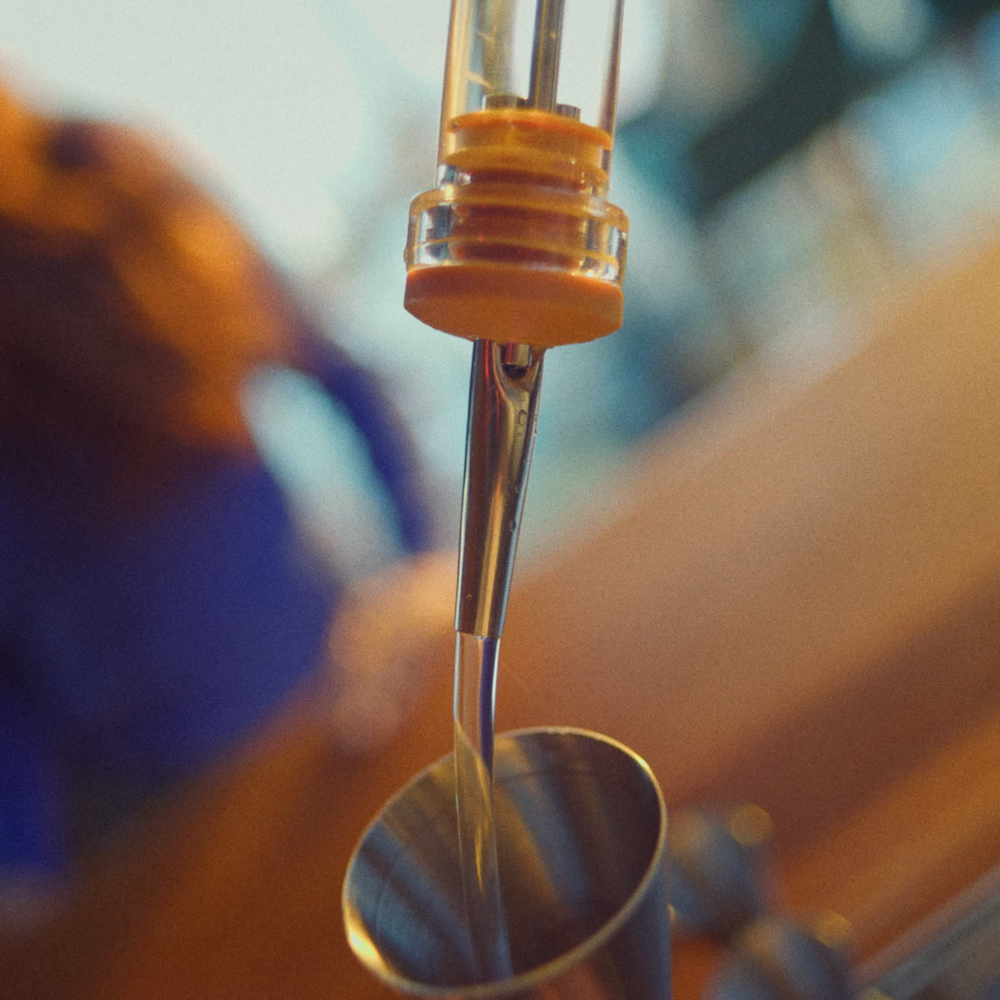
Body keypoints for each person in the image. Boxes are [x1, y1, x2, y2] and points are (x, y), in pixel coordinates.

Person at [0, 74, 452, 927]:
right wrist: (28, 875)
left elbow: (344, 377)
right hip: (142, 820)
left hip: (339, 702)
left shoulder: (118, 192)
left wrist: (427, 560)